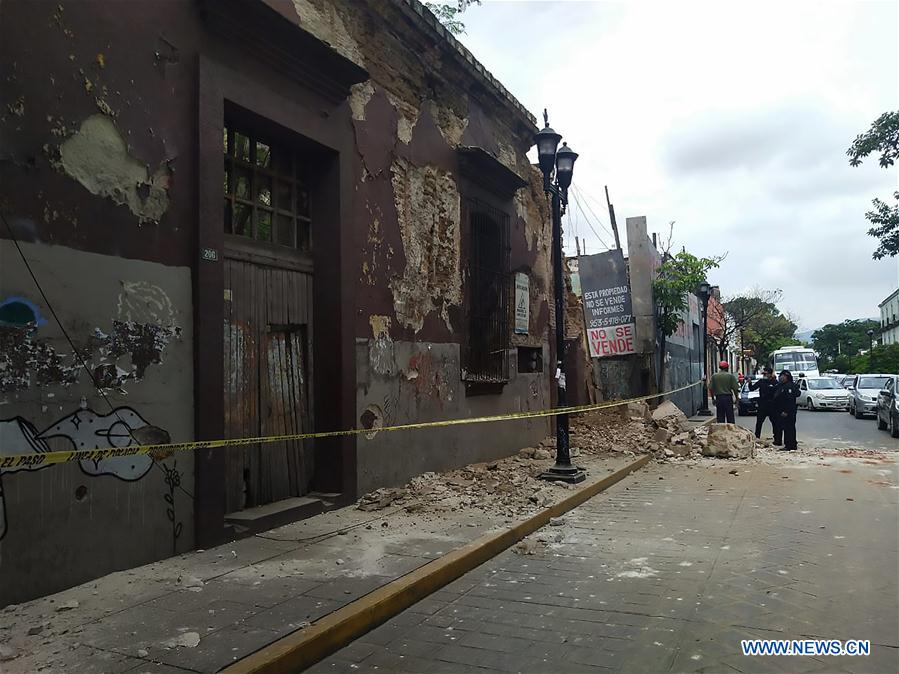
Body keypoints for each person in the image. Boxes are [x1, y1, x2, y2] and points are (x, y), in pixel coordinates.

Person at [773, 369, 801, 451]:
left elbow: (789, 400)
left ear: (786, 377)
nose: (780, 378)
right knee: (787, 428)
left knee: (789, 428)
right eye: (780, 376)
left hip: (788, 412)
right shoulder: (782, 385)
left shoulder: (789, 386)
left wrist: (786, 411)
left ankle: (790, 445)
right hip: (783, 411)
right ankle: (791, 444)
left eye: (782, 376)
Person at [748, 367, 779, 441]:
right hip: (762, 404)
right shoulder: (761, 381)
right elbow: (752, 388)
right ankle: (757, 437)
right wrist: (749, 383)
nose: (764, 375)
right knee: (759, 422)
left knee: (775, 422)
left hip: (772, 405)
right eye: (763, 374)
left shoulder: (775, 382)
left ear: (770, 374)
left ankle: (777, 438)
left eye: (766, 374)